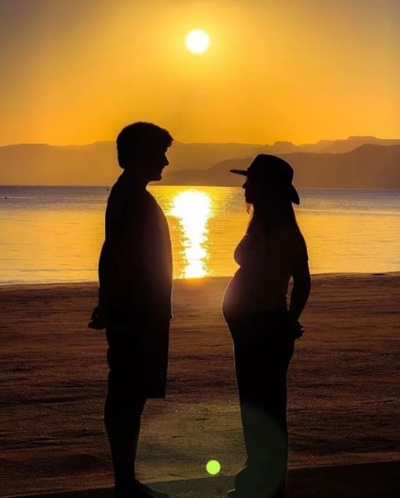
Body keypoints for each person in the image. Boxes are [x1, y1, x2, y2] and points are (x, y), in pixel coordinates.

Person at [88, 122, 173, 498]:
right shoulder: (130, 197)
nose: (166, 162)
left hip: (140, 310)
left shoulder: (131, 195)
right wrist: (110, 301)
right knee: (127, 393)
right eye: (161, 154)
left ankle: (126, 478)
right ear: (142, 155)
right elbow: (115, 254)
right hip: (136, 313)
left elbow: (112, 253)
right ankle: (124, 481)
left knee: (131, 393)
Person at [222, 154, 311, 498]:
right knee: (254, 406)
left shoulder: (285, 232)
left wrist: (290, 319)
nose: (244, 186)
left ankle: (269, 485)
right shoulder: (259, 225)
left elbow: (302, 280)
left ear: (268, 189)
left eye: (251, 180)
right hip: (249, 329)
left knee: (267, 408)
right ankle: (257, 475)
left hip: (265, 329)